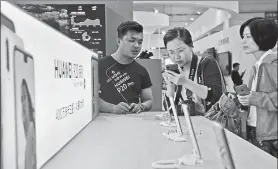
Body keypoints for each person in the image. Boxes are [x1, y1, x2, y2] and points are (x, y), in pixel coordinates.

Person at [237, 18, 277, 158]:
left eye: (248, 37)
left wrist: (254, 98)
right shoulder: (258, 65)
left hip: (271, 138)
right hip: (256, 132)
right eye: (243, 37)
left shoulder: (273, 63)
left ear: (263, 37)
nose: (243, 41)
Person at [163, 27, 224, 115]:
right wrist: (170, 86)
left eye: (180, 51)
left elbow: (216, 96)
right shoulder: (176, 69)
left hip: (210, 123)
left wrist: (186, 82)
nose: (176, 57)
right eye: (171, 52)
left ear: (191, 46)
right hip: (189, 123)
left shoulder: (206, 63)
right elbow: (169, 108)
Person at [99, 21, 153, 114]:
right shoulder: (101, 65)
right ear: (119, 41)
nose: (136, 45)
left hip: (132, 122)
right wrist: (112, 108)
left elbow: (149, 101)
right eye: (131, 40)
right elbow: (90, 98)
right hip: (105, 122)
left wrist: (141, 106)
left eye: (140, 42)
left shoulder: (142, 71)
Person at [21, 79, 36, 169]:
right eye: (21, 98)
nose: (23, 103)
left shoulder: (31, 125)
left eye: (24, 97)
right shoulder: (26, 120)